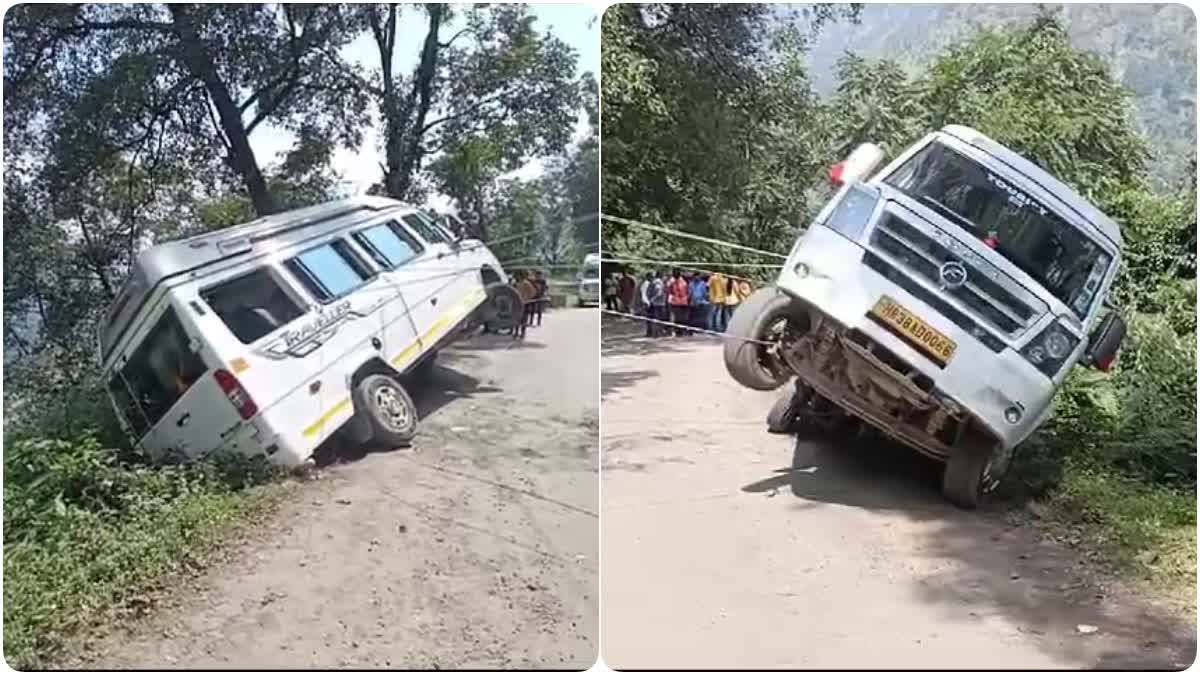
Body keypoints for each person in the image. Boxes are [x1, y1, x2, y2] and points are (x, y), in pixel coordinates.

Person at [667, 269, 690, 337]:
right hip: (679, 302)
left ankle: (681, 331)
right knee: (679, 318)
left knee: (680, 318)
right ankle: (679, 331)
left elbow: (685, 292)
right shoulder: (678, 282)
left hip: (680, 302)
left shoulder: (681, 282)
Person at [514, 271, 536, 339]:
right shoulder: (515, 283)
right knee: (516, 319)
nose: (517, 277)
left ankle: (522, 333)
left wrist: (527, 298)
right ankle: (516, 332)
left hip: (525, 303)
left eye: (518, 275)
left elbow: (533, 292)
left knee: (524, 319)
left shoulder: (526, 283)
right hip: (517, 303)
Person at [650, 270, 668, 337]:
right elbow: (659, 292)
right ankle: (657, 333)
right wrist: (653, 298)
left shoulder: (654, 281)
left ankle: (656, 333)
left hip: (656, 303)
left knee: (656, 318)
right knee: (659, 318)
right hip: (659, 303)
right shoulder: (658, 282)